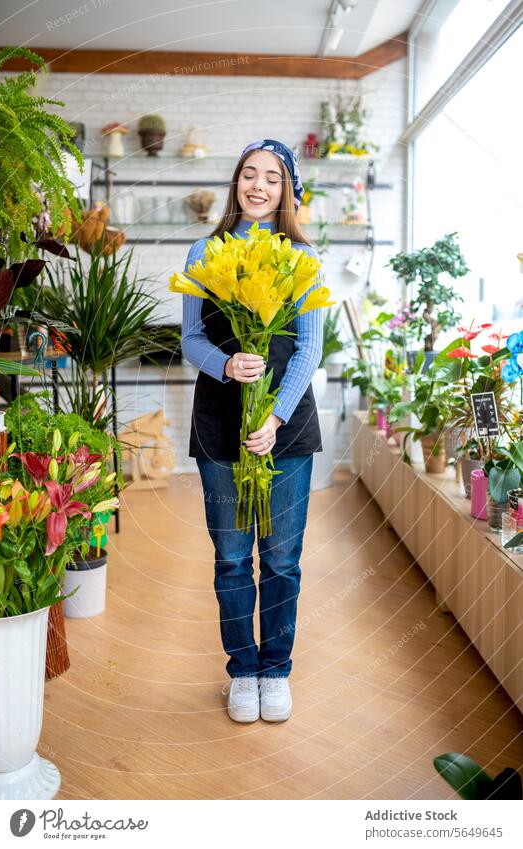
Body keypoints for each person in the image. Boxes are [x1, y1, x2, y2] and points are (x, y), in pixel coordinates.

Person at [180, 139, 325, 723]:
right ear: (235, 182)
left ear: (287, 189)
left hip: (285, 430)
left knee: (282, 560)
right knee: (233, 557)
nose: (258, 186)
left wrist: (273, 415)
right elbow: (191, 338)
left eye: (272, 177)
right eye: (248, 174)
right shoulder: (203, 252)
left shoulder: (302, 256)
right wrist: (226, 364)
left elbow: (309, 347)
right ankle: (243, 670)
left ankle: (276, 670)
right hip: (219, 425)